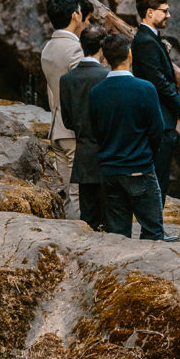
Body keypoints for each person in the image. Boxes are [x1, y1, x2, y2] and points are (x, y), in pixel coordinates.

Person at [88, 33, 179, 242]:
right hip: (139, 167)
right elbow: (156, 130)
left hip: (110, 170)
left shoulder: (96, 92)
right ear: (130, 54)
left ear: (105, 58)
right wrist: (147, 155)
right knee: (153, 232)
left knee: (117, 236)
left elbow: (96, 131)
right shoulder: (145, 88)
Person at [131, 0, 180, 204]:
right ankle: (153, 221)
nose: (168, 15)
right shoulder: (145, 41)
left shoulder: (150, 39)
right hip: (157, 118)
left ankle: (155, 219)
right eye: (164, 11)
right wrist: (179, 104)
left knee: (160, 175)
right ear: (149, 12)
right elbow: (157, 80)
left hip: (161, 118)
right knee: (157, 175)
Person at [59, 23, 109, 231]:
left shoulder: (67, 79)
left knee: (87, 218)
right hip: (108, 155)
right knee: (110, 217)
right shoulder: (107, 76)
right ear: (102, 47)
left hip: (83, 155)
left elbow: (67, 121)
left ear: (81, 45)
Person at [40, 0, 84, 218]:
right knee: (78, 192)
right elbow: (79, 92)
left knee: (67, 192)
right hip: (73, 131)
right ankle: (80, 235)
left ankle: (67, 230)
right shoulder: (75, 49)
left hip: (56, 128)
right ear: (75, 15)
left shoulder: (48, 48)